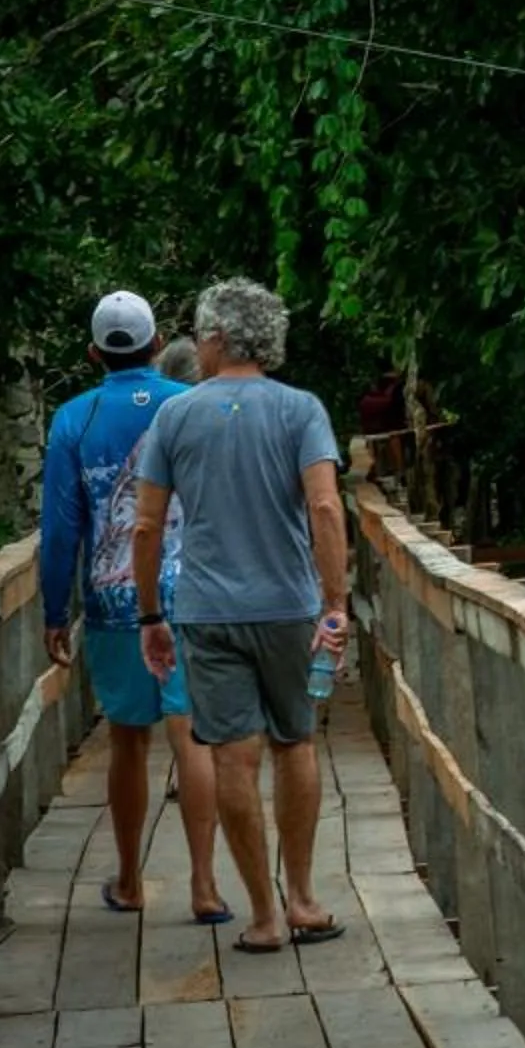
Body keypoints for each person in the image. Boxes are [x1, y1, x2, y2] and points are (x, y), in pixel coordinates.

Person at [132, 278, 350, 955]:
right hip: (288, 607)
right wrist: (335, 603)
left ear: (221, 339)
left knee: (232, 754)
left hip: (206, 610)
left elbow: (145, 527)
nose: (195, 347)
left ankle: (262, 915)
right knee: (296, 742)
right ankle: (305, 898)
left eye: (199, 335)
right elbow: (324, 508)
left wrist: (149, 617)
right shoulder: (300, 410)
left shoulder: (175, 418)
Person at [37, 289, 224, 923]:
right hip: (194, 594)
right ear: (155, 344)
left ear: (94, 353)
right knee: (193, 736)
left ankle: (129, 880)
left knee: (127, 740)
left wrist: (53, 610)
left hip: (116, 600)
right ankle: (204, 888)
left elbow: (62, 527)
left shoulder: (73, 420)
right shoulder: (191, 405)